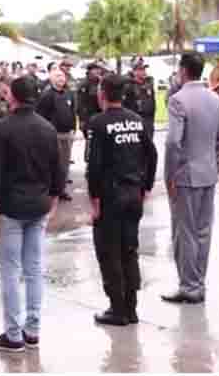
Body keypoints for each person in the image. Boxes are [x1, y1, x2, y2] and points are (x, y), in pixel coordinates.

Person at [0, 76, 63, 353]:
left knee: (11, 271)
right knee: (34, 270)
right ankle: (33, 329)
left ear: (12, 97)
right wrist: (52, 199)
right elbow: (58, 170)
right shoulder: (48, 128)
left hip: (12, 208)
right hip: (39, 205)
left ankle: (14, 334)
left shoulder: (3, 128)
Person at [86, 74, 158, 325]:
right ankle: (131, 307)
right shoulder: (136, 121)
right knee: (130, 250)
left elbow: (93, 167)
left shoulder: (98, 123)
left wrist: (94, 202)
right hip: (133, 194)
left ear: (102, 94)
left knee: (109, 252)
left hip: (111, 196)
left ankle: (118, 309)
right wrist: (146, 186)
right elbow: (152, 155)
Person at [162, 52, 219, 304]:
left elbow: (172, 142)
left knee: (185, 232)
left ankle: (189, 286)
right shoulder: (214, 97)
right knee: (202, 231)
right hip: (207, 173)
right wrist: (216, 165)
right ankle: (197, 282)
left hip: (185, 176)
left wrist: (170, 174)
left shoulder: (178, 100)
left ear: (182, 70)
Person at [36, 69, 77, 202]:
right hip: (53, 135)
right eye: (58, 76)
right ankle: (50, 189)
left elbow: (72, 112)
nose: (61, 78)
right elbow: (41, 115)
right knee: (53, 163)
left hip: (67, 134)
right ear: (52, 79)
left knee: (65, 164)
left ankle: (61, 189)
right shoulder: (47, 95)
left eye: (63, 76)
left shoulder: (69, 94)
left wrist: (73, 129)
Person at [123, 62, 157, 138]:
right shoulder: (128, 85)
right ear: (134, 72)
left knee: (149, 143)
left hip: (149, 120)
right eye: (140, 70)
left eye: (144, 69)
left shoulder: (148, 84)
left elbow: (152, 101)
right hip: (135, 120)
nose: (144, 72)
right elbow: (124, 104)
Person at [77, 63, 104, 139]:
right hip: (88, 117)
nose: (98, 71)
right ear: (90, 71)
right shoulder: (84, 84)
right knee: (90, 143)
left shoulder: (101, 82)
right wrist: (82, 120)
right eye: (95, 69)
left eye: (99, 69)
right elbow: (80, 104)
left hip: (100, 117)